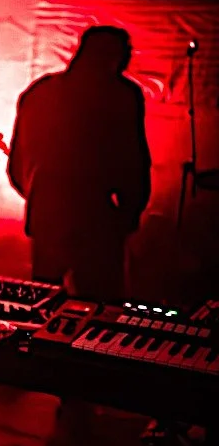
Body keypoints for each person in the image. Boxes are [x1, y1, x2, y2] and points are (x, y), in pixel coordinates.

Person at [8, 25, 151, 302]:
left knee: (43, 302)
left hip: (48, 213)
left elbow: (18, 162)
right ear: (116, 56)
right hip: (99, 216)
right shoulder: (122, 94)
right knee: (99, 305)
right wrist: (130, 210)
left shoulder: (40, 91)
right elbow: (133, 159)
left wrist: (39, 196)